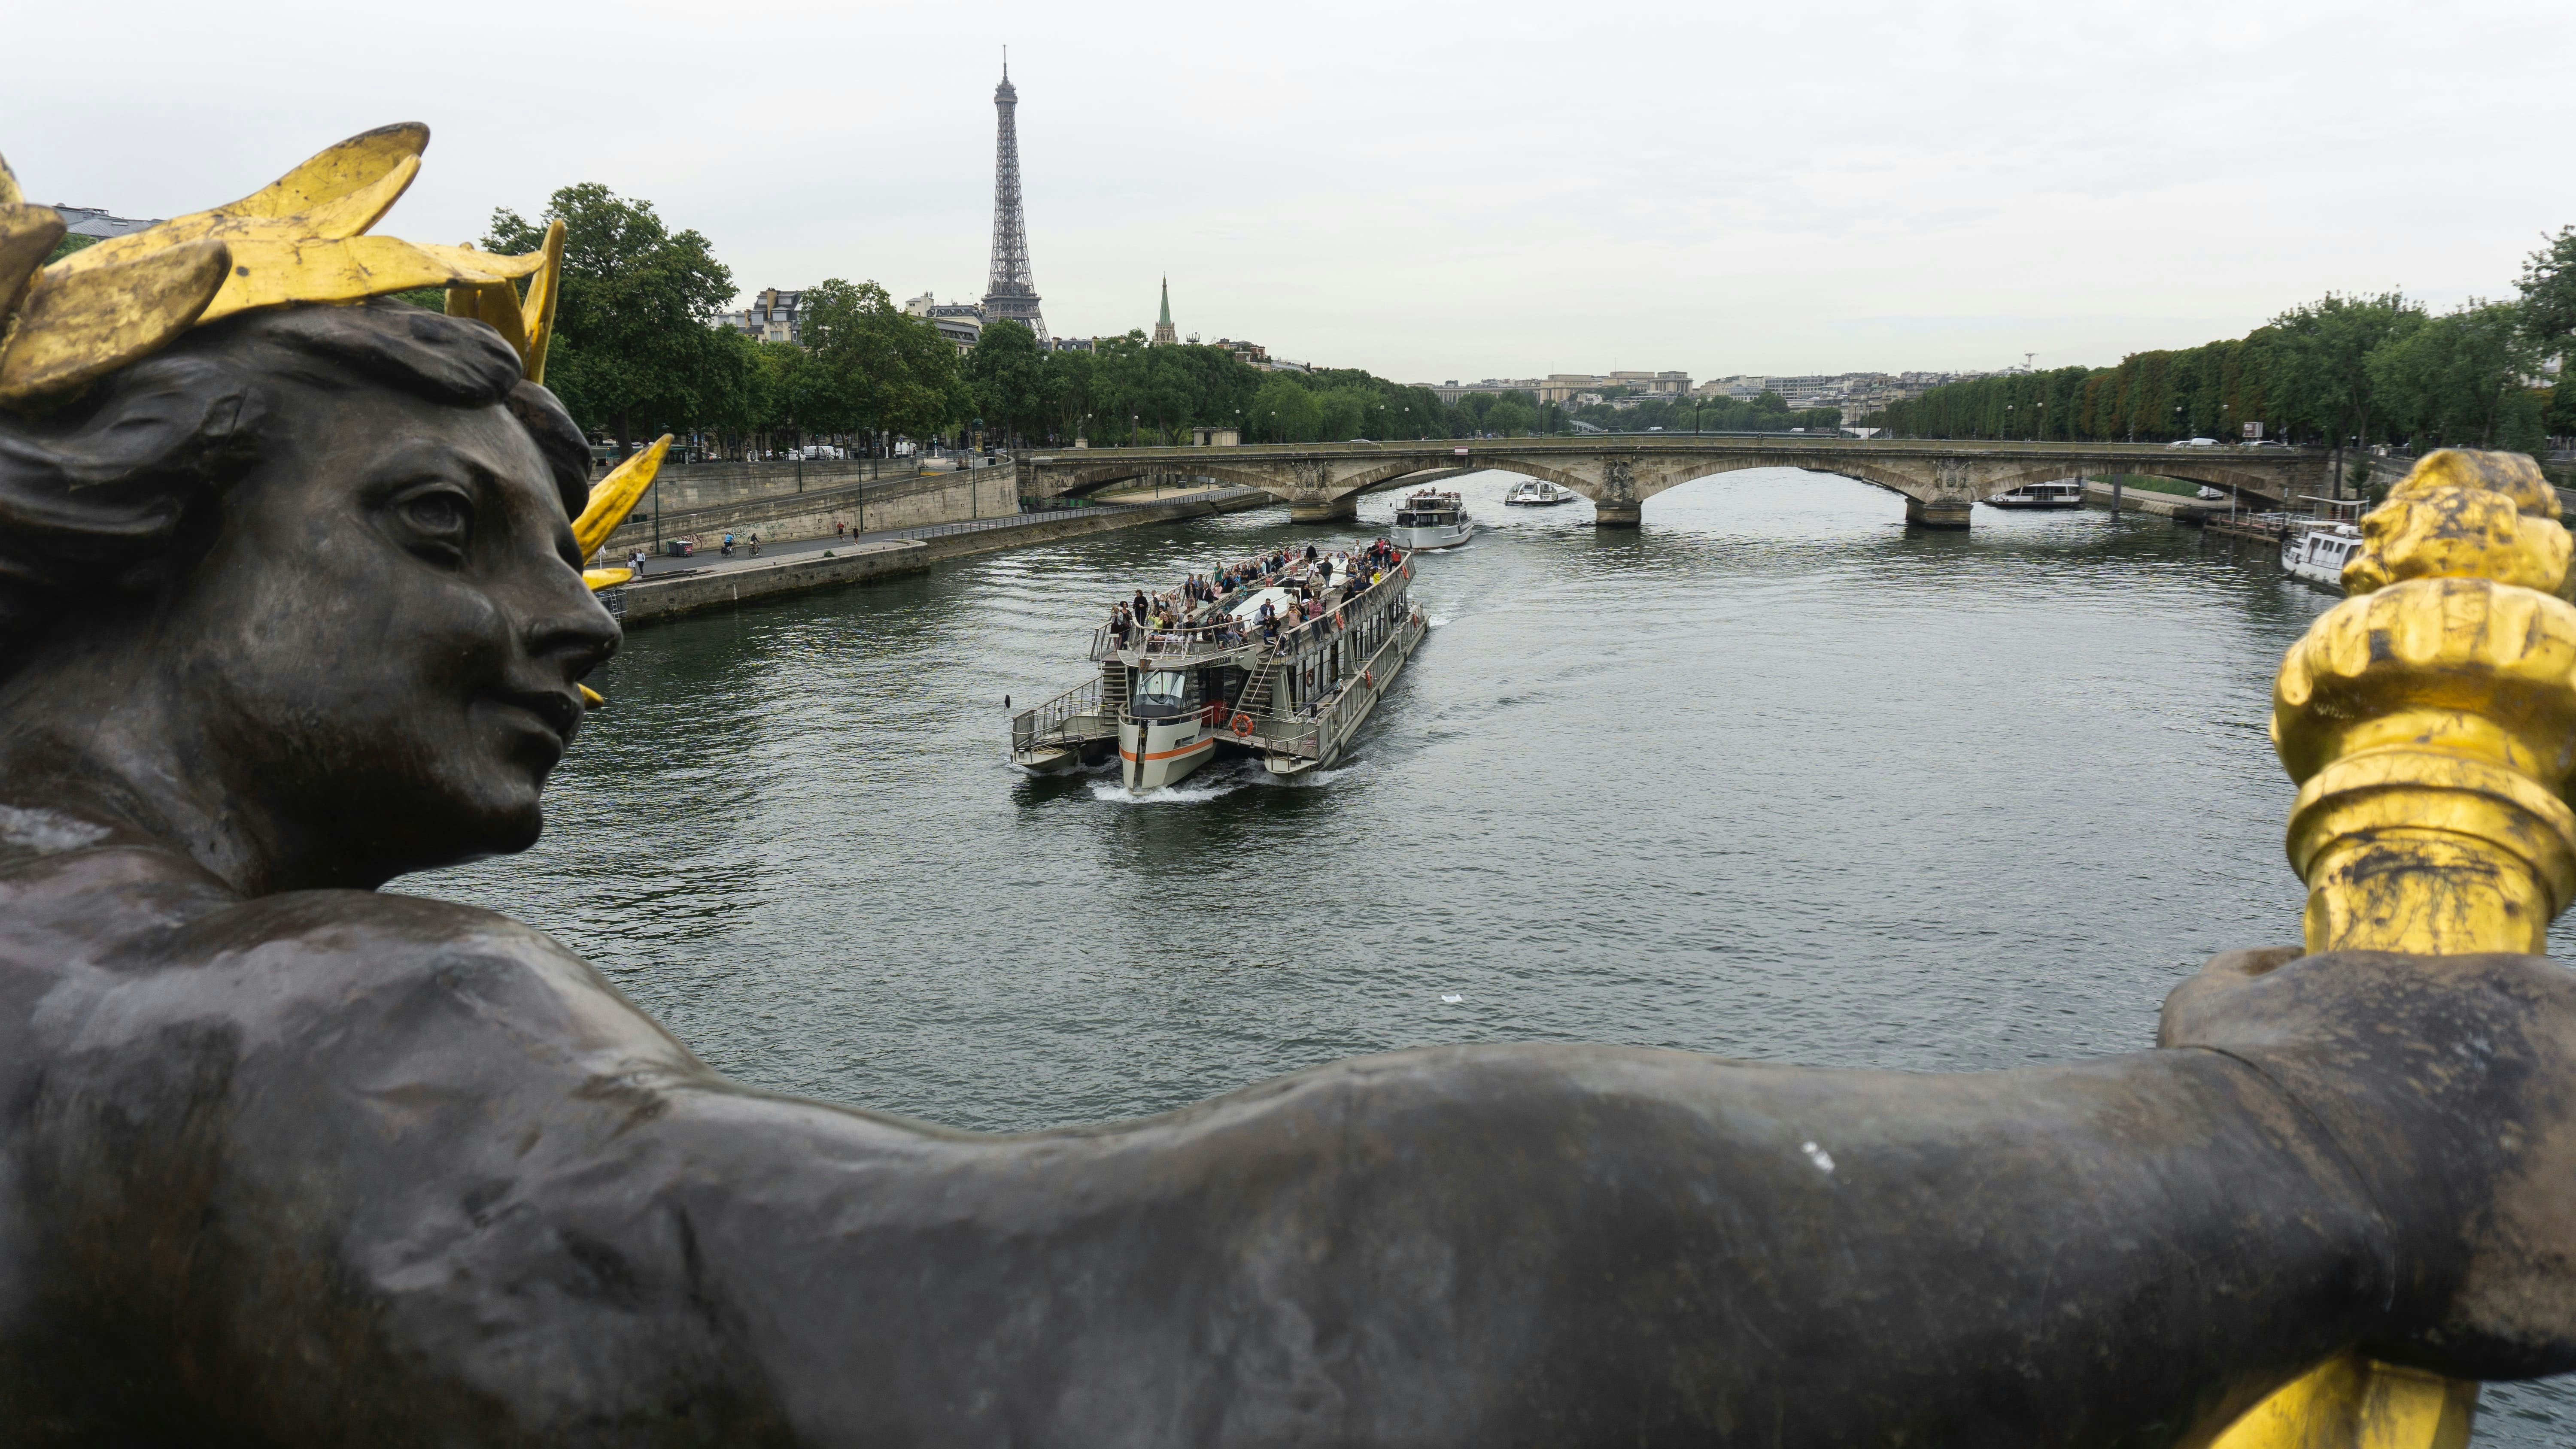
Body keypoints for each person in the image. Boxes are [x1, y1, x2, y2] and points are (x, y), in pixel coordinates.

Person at [9, 286, 2576, 1440]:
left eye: (568, 537)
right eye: (444, 524)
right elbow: (1298, 1322)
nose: (582, 618)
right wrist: (2318, 1141)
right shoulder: (278, 1047)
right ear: (131, 536)